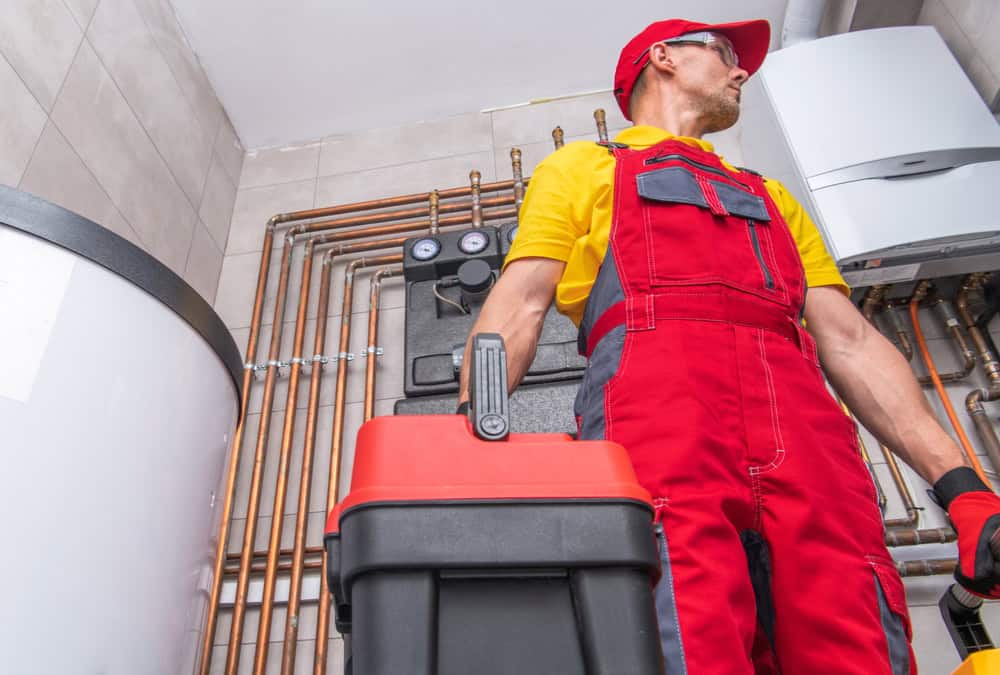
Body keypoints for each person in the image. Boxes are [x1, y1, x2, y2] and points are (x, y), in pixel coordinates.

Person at [457, 17, 1000, 674]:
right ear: (663, 58)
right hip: (661, 425)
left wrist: (964, 486)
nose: (742, 70)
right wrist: (465, 456)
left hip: (809, 440)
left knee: (859, 637)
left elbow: (851, 340)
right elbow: (519, 303)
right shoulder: (582, 167)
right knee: (684, 633)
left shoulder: (772, 197)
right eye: (723, 53)